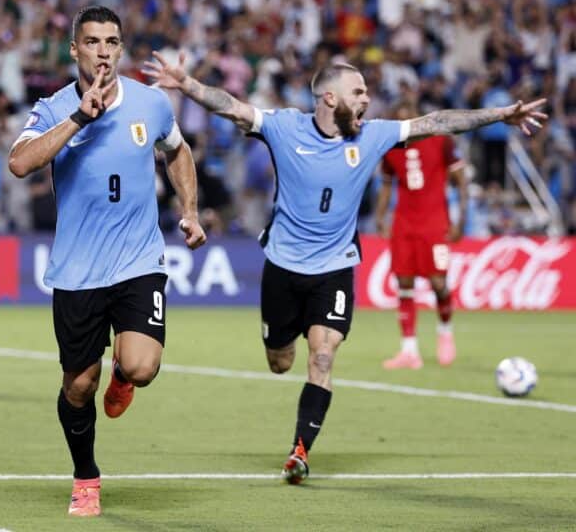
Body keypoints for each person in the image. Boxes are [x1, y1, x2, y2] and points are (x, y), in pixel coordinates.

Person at [142, 54, 547, 485]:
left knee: (322, 356)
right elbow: (231, 106)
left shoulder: (374, 135)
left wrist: (500, 115)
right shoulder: (284, 127)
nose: (368, 99)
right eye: (359, 92)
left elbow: (439, 122)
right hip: (282, 266)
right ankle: (285, 351)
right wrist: (185, 84)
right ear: (330, 98)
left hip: (335, 269)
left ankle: (299, 452)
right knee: (280, 362)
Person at [8, 6, 206, 517]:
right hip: (78, 270)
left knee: (141, 366)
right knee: (78, 386)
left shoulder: (150, 103)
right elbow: (20, 163)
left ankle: (123, 373)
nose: (102, 51)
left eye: (111, 42)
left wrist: (189, 210)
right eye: (91, 42)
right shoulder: (53, 108)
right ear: (74, 49)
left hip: (139, 259)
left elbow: (178, 152)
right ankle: (86, 477)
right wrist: (80, 117)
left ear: (121, 49)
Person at [375, 112, 469, 369]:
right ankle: (409, 351)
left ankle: (445, 331)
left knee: (439, 283)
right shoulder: (390, 146)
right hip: (404, 224)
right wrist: (380, 215)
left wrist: (461, 219)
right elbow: (386, 184)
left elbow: (461, 181)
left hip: (435, 224)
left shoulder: (441, 140)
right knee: (404, 282)